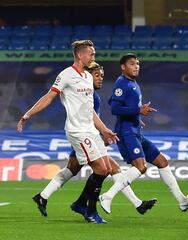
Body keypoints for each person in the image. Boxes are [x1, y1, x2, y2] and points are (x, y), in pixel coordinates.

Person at [17, 40, 144, 224]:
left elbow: (90, 110)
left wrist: (105, 130)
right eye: (91, 54)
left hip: (91, 130)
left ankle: (77, 204)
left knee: (106, 169)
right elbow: (49, 97)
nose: (94, 57)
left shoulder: (87, 76)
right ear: (80, 55)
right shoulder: (66, 75)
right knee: (100, 168)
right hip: (77, 131)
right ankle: (89, 210)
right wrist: (27, 115)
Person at [98, 53, 188, 214]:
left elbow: (112, 101)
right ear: (123, 67)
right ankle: (108, 195)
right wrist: (137, 110)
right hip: (126, 132)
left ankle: (182, 201)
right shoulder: (122, 83)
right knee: (140, 168)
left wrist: (135, 115)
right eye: (132, 64)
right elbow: (114, 108)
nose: (136, 66)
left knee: (162, 161)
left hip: (135, 131)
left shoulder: (132, 83)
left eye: (138, 64)